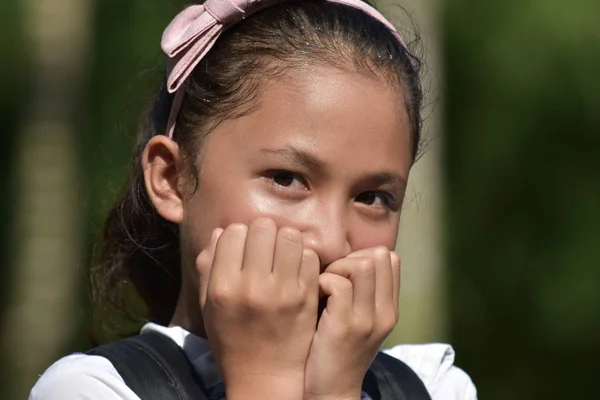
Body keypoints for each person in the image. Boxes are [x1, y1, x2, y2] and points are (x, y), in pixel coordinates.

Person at [30, 0, 477, 399]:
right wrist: (266, 380)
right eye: (286, 178)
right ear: (171, 178)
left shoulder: (432, 386)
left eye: (373, 197)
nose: (330, 243)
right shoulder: (92, 388)